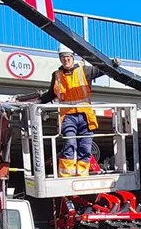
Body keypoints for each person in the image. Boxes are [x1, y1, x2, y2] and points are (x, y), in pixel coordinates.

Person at [39, 45, 98, 176]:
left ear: (72, 57)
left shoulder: (85, 71)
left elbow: (102, 69)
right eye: (63, 57)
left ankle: (82, 174)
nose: (66, 60)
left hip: (85, 116)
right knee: (70, 143)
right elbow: (50, 94)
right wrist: (37, 103)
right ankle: (66, 174)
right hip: (67, 116)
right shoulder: (56, 75)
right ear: (60, 59)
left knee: (85, 146)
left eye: (68, 57)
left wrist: (113, 65)